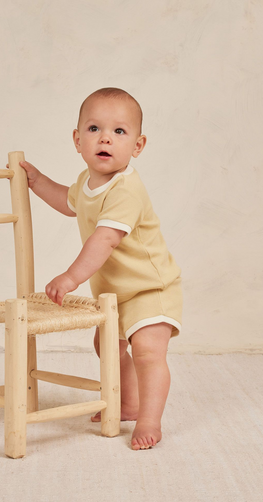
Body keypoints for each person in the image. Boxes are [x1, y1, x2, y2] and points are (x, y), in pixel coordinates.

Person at [10, 87, 182, 450]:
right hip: (116, 294)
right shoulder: (86, 183)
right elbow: (68, 202)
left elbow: (105, 239)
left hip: (151, 288)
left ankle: (150, 420)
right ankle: (129, 403)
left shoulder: (126, 190)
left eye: (119, 131)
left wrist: (71, 277)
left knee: (147, 352)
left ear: (137, 145)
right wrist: (38, 182)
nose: (105, 138)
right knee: (108, 348)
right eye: (94, 129)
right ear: (77, 140)